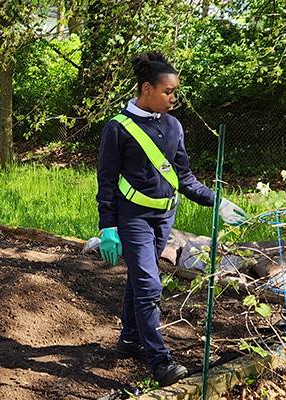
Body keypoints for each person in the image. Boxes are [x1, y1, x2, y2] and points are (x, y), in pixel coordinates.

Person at [95, 51, 248, 387]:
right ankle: (160, 361)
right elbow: (106, 181)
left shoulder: (173, 125)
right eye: (168, 92)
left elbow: (185, 178)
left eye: (175, 92)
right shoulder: (117, 129)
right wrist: (107, 226)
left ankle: (130, 339)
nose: (173, 98)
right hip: (131, 216)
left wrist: (217, 202)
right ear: (146, 88)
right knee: (150, 285)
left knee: (140, 279)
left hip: (165, 215)